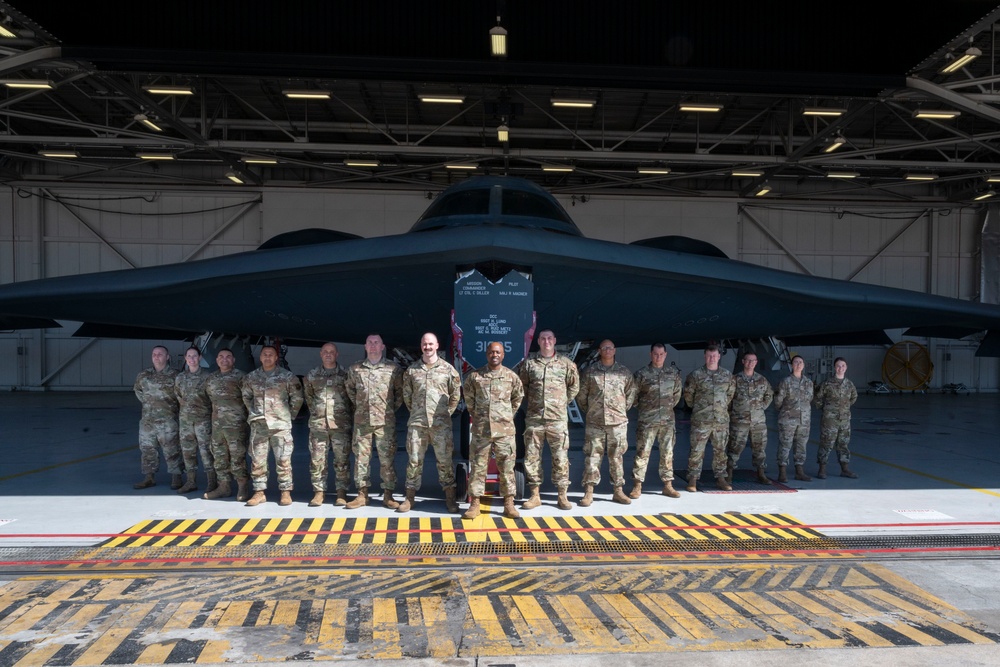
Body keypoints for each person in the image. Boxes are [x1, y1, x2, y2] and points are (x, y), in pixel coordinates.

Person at [516, 329, 579, 511]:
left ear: (555, 340)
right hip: (535, 419)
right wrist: (536, 404)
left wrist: (560, 403)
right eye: (543, 338)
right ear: (538, 341)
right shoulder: (529, 365)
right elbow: (523, 387)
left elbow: (574, 387)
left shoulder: (566, 364)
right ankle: (535, 495)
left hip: (557, 420)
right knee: (532, 458)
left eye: (549, 338)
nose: (546, 341)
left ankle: (562, 495)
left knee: (560, 458)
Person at [461, 342, 525, 519]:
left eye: (498, 352)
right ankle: (475, 503)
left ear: (503, 355)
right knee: (478, 467)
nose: (494, 355)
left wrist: (505, 415)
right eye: (491, 352)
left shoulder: (512, 377)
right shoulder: (475, 377)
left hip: (504, 431)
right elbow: (469, 399)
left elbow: (517, 398)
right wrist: (480, 416)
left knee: (506, 467)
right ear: (486, 354)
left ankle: (508, 503)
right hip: (482, 431)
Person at [399, 332, 462, 513]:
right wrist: (418, 413)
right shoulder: (412, 371)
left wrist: (445, 413)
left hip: (440, 425)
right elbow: (407, 396)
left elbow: (455, 395)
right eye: (425, 344)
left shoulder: (448, 370)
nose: (428, 347)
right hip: (417, 424)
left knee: (444, 461)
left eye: (431, 344)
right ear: (421, 346)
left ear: (437, 345)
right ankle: (409, 497)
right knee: (414, 460)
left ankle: (450, 497)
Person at [345, 334, 404, 509]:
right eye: (370, 342)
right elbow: (350, 391)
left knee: (387, 459)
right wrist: (363, 408)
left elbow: (399, 394)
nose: (373, 345)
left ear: (382, 346)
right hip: (362, 422)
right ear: (365, 346)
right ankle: (362, 495)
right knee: (361, 459)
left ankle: (388, 495)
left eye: (376, 342)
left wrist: (388, 410)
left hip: (385, 422)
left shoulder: (393, 369)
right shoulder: (355, 369)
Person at [241, 345, 304, 506]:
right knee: (257, 460)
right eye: (264, 354)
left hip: (280, 425)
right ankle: (259, 492)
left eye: (271, 354)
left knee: (283, 459)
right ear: (260, 357)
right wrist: (255, 414)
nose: (267, 357)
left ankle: (285, 492)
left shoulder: (287, 377)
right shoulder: (251, 378)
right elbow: (246, 398)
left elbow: (297, 398)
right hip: (259, 425)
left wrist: (288, 416)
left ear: (276, 358)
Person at [575, 339, 636, 506]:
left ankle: (618, 491)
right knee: (592, 456)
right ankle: (589, 492)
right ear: (600, 351)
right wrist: (592, 411)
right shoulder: (590, 372)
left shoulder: (624, 372)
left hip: (617, 423)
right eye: (604, 348)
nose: (607, 350)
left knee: (617, 457)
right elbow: (581, 395)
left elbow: (631, 394)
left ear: (614, 350)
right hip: (595, 423)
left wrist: (620, 411)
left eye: (610, 348)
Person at [630, 343, 683, 499]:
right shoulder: (641, 374)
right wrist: (647, 409)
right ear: (650, 354)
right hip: (647, 421)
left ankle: (668, 485)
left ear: (665, 355)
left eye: (661, 354)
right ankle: (637, 485)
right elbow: (633, 397)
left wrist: (665, 410)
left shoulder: (673, 374)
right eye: (655, 354)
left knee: (667, 454)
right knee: (642, 453)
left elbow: (676, 395)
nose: (658, 357)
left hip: (667, 421)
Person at [303, 342, 353, 508]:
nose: (328, 354)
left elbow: (353, 399)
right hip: (318, 426)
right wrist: (319, 414)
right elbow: (309, 398)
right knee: (317, 461)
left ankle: (341, 493)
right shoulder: (312, 375)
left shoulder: (346, 374)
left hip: (340, 425)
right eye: (325, 352)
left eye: (332, 352)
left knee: (342, 460)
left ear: (337, 354)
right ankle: (319, 493)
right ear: (321, 354)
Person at [682, 344, 736, 492]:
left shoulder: (727, 376)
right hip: (701, 420)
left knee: (720, 450)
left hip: (721, 421)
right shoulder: (695, 375)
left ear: (719, 356)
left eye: (714, 355)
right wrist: (701, 409)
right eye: (709, 355)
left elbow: (730, 395)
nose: (712, 358)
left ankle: (720, 478)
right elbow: (688, 397)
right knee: (696, 450)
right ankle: (692, 479)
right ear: (705, 356)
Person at [203, 347, 250, 501]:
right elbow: (209, 399)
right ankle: (224, 487)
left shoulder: (242, 377)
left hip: (236, 426)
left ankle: (242, 486)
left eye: (228, 356)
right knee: (219, 457)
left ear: (233, 360)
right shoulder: (211, 379)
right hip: (217, 426)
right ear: (216, 360)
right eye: (221, 357)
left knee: (238, 456)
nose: (224, 359)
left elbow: (249, 399)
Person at [132, 345, 181, 490]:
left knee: (172, 449)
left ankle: (176, 477)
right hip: (147, 420)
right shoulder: (144, 375)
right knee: (147, 449)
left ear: (167, 357)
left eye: (160, 354)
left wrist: (167, 407)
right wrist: (151, 404)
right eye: (154, 354)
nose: (157, 356)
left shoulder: (175, 375)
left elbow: (181, 396)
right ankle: (149, 477)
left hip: (168, 420)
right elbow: (138, 390)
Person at [727, 351, 774, 485]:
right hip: (739, 421)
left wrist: (760, 408)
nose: (750, 363)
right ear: (743, 362)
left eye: (753, 361)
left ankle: (761, 473)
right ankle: (729, 473)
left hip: (758, 421)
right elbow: (728, 398)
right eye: (748, 360)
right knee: (734, 447)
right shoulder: (734, 379)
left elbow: (769, 395)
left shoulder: (762, 380)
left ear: (756, 362)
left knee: (759, 448)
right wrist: (734, 412)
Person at [174, 346, 214, 494]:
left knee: (206, 452)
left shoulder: (207, 377)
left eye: (194, 356)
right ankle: (191, 482)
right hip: (185, 422)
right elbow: (178, 395)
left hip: (203, 421)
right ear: (185, 358)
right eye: (189, 356)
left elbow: (212, 398)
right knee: (188, 452)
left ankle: (211, 482)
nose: (191, 359)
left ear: (200, 357)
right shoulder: (180, 378)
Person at [813, 357, 859, 479]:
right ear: (834, 368)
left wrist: (844, 408)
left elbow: (853, 398)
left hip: (844, 420)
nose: (840, 368)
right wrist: (826, 409)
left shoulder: (849, 384)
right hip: (830, 420)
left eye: (843, 366)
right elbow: (817, 398)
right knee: (826, 443)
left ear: (846, 367)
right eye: (838, 366)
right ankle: (822, 469)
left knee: (843, 444)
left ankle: (845, 469)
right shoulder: (827, 383)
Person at [773, 355, 814, 483]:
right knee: (785, 445)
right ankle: (782, 471)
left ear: (803, 365)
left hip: (804, 420)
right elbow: (778, 400)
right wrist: (786, 412)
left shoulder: (808, 382)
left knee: (801, 445)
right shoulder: (786, 382)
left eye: (800, 362)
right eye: (795, 362)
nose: (798, 364)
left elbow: (810, 398)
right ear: (792, 365)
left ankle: (799, 471)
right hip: (788, 420)